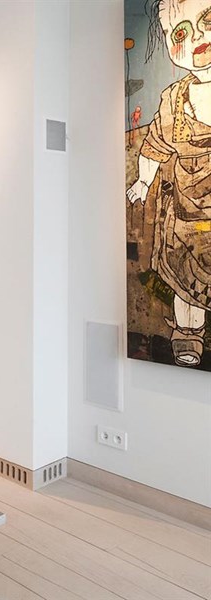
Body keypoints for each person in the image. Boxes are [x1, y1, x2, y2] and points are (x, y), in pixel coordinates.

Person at [127, 0, 211, 367]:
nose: (197, 38)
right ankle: (188, 333)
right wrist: (143, 182)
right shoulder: (174, 99)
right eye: (181, 34)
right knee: (183, 277)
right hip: (185, 216)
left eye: (208, 20)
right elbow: (155, 146)